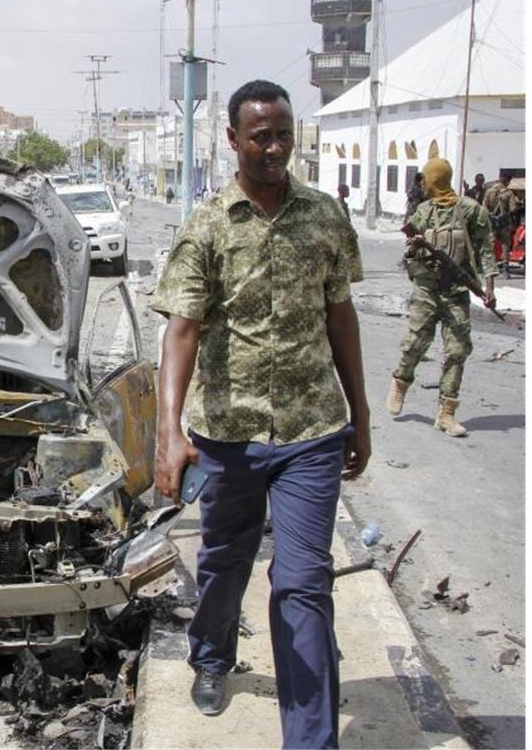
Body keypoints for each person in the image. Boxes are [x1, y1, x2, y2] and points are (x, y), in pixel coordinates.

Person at [151, 79, 370, 749]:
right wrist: (169, 435)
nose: (275, 148)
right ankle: (212, 657)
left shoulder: (325, 215)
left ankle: (310, 741)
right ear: (233, 140)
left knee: (303, 583)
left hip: (311, 432)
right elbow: (181, 331)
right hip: (229, 436)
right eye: (260, 136)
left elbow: (340, 315)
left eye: (283, 134)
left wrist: (360, 412)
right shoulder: (210, 225)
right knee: (224, 561)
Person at [387, 158, 497, 437]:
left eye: (426, 178)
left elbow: (486, 249)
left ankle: (446, 413)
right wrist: (416, 247)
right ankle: (400, 381)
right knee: (414, 344)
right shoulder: (423, 211)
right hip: (426, 289)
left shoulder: (471, 210)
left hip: (456, 291)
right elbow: (409, 245)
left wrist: (490, 287)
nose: (423, 183)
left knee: (457, 351)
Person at [481, 171, 521, 277]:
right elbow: (513, 209)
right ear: (507, 181)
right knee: (505, 246)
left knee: (491, 245)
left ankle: (490, 268)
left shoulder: (489, 191)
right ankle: (505, 269)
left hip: (492, 223)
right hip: (505, 223)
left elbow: (484, 207)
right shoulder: (509, 193)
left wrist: (491, 215)